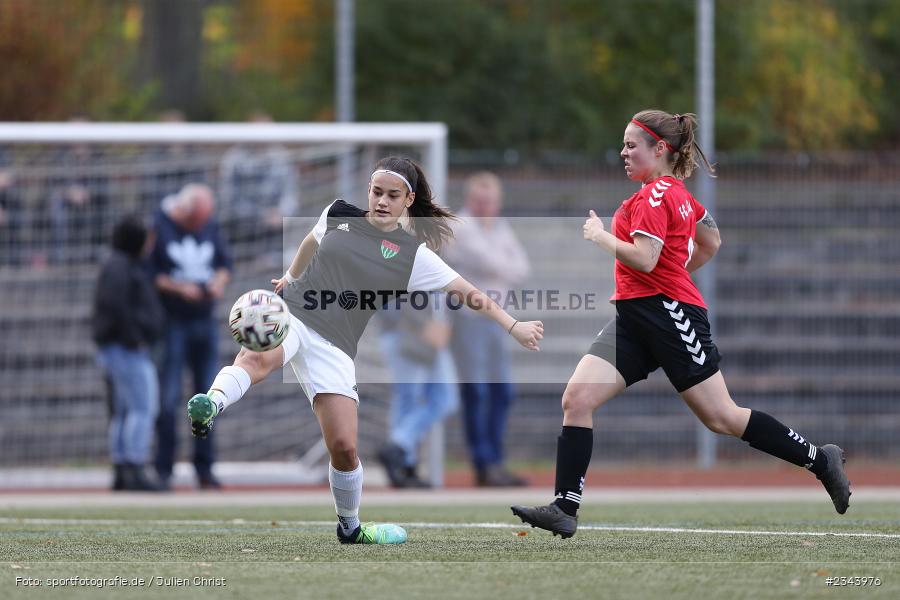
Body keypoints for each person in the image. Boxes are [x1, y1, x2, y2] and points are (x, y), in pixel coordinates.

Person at [511, 109, 851, 538]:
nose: (624, 152)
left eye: (632, 145)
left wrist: (601, 237)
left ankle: (822, 460)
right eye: (624, 144)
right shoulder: (674, 195)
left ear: (660, 149)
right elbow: (711, 239)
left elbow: (647, 258)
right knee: (577, 399)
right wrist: (676, 267)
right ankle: (564, 507)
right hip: (635, 316)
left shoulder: (657, 196)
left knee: (722, 417)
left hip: (668, 313)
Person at [186, 157, 543, 544]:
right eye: (376, 192)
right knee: (257, 357)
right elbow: (310, 241)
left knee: (344, 447)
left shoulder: (413, 255)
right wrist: (290, 278)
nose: (382, 201)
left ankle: (350, 527)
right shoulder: (338, 213)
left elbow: (469, 293)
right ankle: (211, 403)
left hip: (336, 345)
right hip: (295, 316)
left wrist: (514, 326)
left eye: (392, 195)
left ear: (408, 200)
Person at [443, 172, 531, 486]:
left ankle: (495, 461)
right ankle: (483, 463)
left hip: (497, 321)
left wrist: (497, 265)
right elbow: (488, 262)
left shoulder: (500, 228)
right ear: (470, 200)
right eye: (480, 200)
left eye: (490, 201)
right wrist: (499, 265)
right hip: (469, 321)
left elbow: (521, 268)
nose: (485, 206)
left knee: (502, 393)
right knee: (476, 392)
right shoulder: (461, 226)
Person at [149, 183, 233, 490]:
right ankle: (163, 469)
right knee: (168, 397)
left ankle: (205, 468)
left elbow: (225, 265)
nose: (200, 226)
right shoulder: (158, 225)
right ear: (183, 211)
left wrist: (218, 283)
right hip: (172, 322)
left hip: (204, 322)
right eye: (195, 220)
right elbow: (150, 273)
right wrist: (179, 287)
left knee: (210, 396)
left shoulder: (209, 225)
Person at [93, 215, 165, 491]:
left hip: (120, 348)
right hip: (125, 349)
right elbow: (117, 306)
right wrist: (134, 338)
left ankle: (122, 469)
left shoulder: (118, 264)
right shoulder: (120, 266)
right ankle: (134, 466)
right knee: (143, 407)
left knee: (124, 411)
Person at [376, 292, 459, 488]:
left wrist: (443, 324)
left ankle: (398, 447)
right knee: (408, 398)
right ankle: (405, 464)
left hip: (432, 333)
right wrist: (422, 325)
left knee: (445, 399)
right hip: (405, 332)